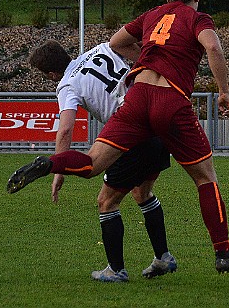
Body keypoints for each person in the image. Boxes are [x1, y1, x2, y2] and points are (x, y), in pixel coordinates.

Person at [7, 0, 229, 276]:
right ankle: (223, 253)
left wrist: (149, 53)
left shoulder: (151, 15)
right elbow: (214, 47)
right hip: (170, 100)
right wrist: (223, 92)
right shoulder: (197, 18)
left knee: (92, 164)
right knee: (205, 178)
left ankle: (49, 164)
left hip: (136, 99)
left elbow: (117, 41)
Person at [26, 40, 177, 281]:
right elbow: (135, 49)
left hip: (131, 131)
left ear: (52, 73)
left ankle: (116, 270)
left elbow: (65, 130)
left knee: (106, 202)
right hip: (157, 121)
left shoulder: (67, 84)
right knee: (142, 194)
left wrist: (59, 171)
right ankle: (163, 258)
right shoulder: (101, 48)